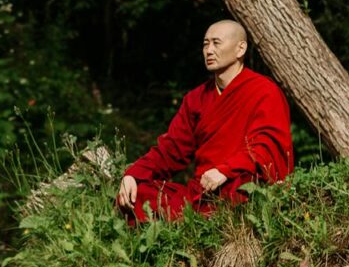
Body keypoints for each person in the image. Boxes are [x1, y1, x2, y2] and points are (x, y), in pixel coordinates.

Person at [116, 20, 293, 222]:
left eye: (216, 43)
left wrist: (226, 170)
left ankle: (210, 225)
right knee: (139, 193)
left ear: (240, 48)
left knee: (242, 187)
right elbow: (171, 149)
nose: (209, 50)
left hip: (237, 183)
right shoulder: (196, 98)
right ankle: (184, 225)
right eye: (205, 44)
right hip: (203, 190)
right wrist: (134, 174)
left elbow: (266, 145)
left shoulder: (264, 91)